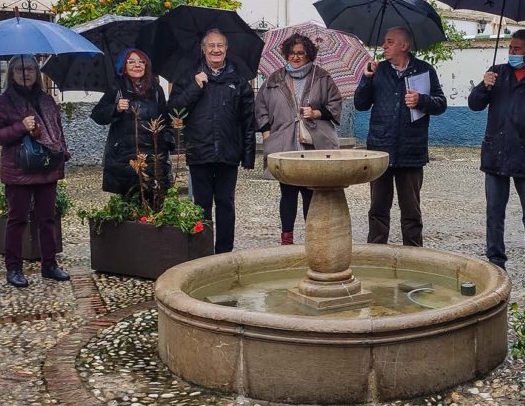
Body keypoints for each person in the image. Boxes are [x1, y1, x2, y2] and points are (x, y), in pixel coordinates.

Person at [468, 29, 525, 287]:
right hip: (496, 153)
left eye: (518, 48)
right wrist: (483, 85)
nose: (512, 52)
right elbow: (474, 104)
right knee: (494, 212)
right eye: (510, 47)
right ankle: (496, 262)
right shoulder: (497, 73)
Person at [0, 55, 71, 288]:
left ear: (37, 73)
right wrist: (19, 127)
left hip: (46, 167)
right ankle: (14, 268)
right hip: (18, 169)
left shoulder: (47, 100)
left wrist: (62, 153)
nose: (26, 72)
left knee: (48, 219)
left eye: (31, 68)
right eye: (20, 68)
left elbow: (58, 132)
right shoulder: (3, 102)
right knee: (17, 219)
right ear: (11, 73)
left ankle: (49, 265)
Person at [354, 26, 447, 247]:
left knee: (411, 211)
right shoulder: (378, 70)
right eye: (384, 42)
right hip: (380, 150)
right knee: (377, 209)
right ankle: (376, 254)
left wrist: (421, 100)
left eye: (389, 42)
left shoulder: (424, 70)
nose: (384, 46)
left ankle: (413, 257)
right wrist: (366, 78)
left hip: (411, 151)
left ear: (403, 46)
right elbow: (360, 105)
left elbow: (441, 104)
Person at [168, 29, 256, 254]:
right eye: (211, 46)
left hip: (229, 152)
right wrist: (195, 87)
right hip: (200, 150)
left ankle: (224, 252)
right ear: (203, 49)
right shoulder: (189, 76)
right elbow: (175, 109)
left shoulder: (238, 80)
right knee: (201, 204)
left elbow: (248, 120)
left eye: (220, 46)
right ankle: (203, 249)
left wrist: (248, 154)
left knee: (226, 203)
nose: (216, 50)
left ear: (226, 50)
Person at [255, 34, 342, 245]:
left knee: (310, 192)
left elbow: (335, 105)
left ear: (308, 54)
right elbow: (261, 107)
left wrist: (316, 113)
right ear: (286, 54)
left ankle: (312, 238)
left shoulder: (322, 77)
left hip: (313, 144)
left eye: (301, 53)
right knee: (287, 191)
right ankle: (287, 237)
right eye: (292, 53)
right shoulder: (275, 79)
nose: (295, 57)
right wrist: (267, 134)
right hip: (284, 143)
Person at [91, 48, 174, 198]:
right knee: (130, 204)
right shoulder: (117, 88)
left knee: (155, 203)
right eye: (131, 62)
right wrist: (115, 108)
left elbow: (165, 119)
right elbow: (97, 115)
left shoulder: (156, 90)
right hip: (125, 157)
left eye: (141, 62)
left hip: (152, 155)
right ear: (124, 66)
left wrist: (167, 141)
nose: (137, 65)